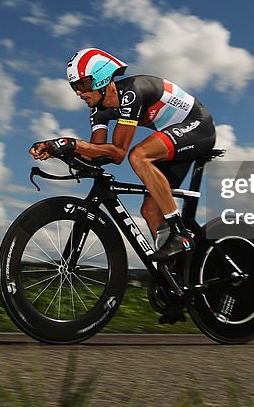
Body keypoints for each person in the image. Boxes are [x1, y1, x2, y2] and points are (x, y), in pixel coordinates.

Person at [30, 48, 216, 261]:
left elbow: (118, 153)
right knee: (150, 211)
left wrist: (69, 143)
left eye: (82, 84)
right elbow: (96, 153)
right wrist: (56, 150)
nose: (78, 93)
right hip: (173, 139)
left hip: (198, 127)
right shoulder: (98, 111)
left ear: (100, 79)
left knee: (138, 156)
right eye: (74, 86)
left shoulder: (131, 93)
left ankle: (179, 233)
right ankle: (178, 274)